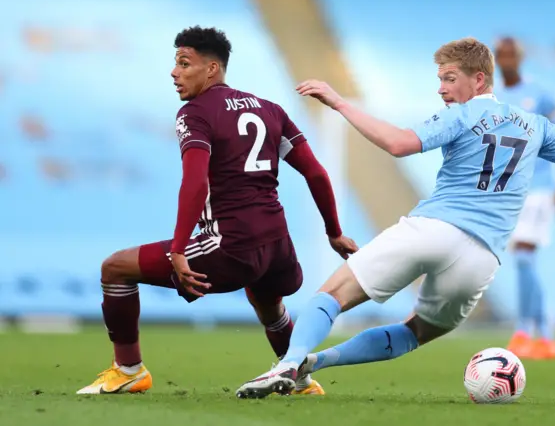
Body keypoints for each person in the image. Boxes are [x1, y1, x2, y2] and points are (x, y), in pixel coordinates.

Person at [235, 37, 555, 399]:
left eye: (449, 78)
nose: (441, 89)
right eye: (440, 80)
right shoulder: (535, 125)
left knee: (332, 295)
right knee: (416, 332)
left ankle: (291, 361)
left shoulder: (461, 114)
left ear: (479, 80)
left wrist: (339, 102)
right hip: (481, 259)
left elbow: (398, 144)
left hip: (431, 230)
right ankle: (313, 364)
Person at [76, 26, 358, 395]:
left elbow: (195, 183)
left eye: (184, 63)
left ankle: (129, 370)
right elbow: (316, 173)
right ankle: (298, 376)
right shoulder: (270, 110)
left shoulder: (195, 113)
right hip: (278, 248)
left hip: (231, 245)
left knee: (115, 269)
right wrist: (334, 232)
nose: (174, 73)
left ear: (212, 69)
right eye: (175, 64)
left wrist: (178, 249)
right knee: (268, 302)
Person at [494, 37, 555, 359]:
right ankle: (546, 332)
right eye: (501, 54)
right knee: (524, 259)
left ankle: (525, 329)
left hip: (539, 187)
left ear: (520, 58)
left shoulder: (540, 95)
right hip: (510, 189)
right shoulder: (493, 98)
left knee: (524, 254)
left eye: (511, 54)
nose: (506, 60)